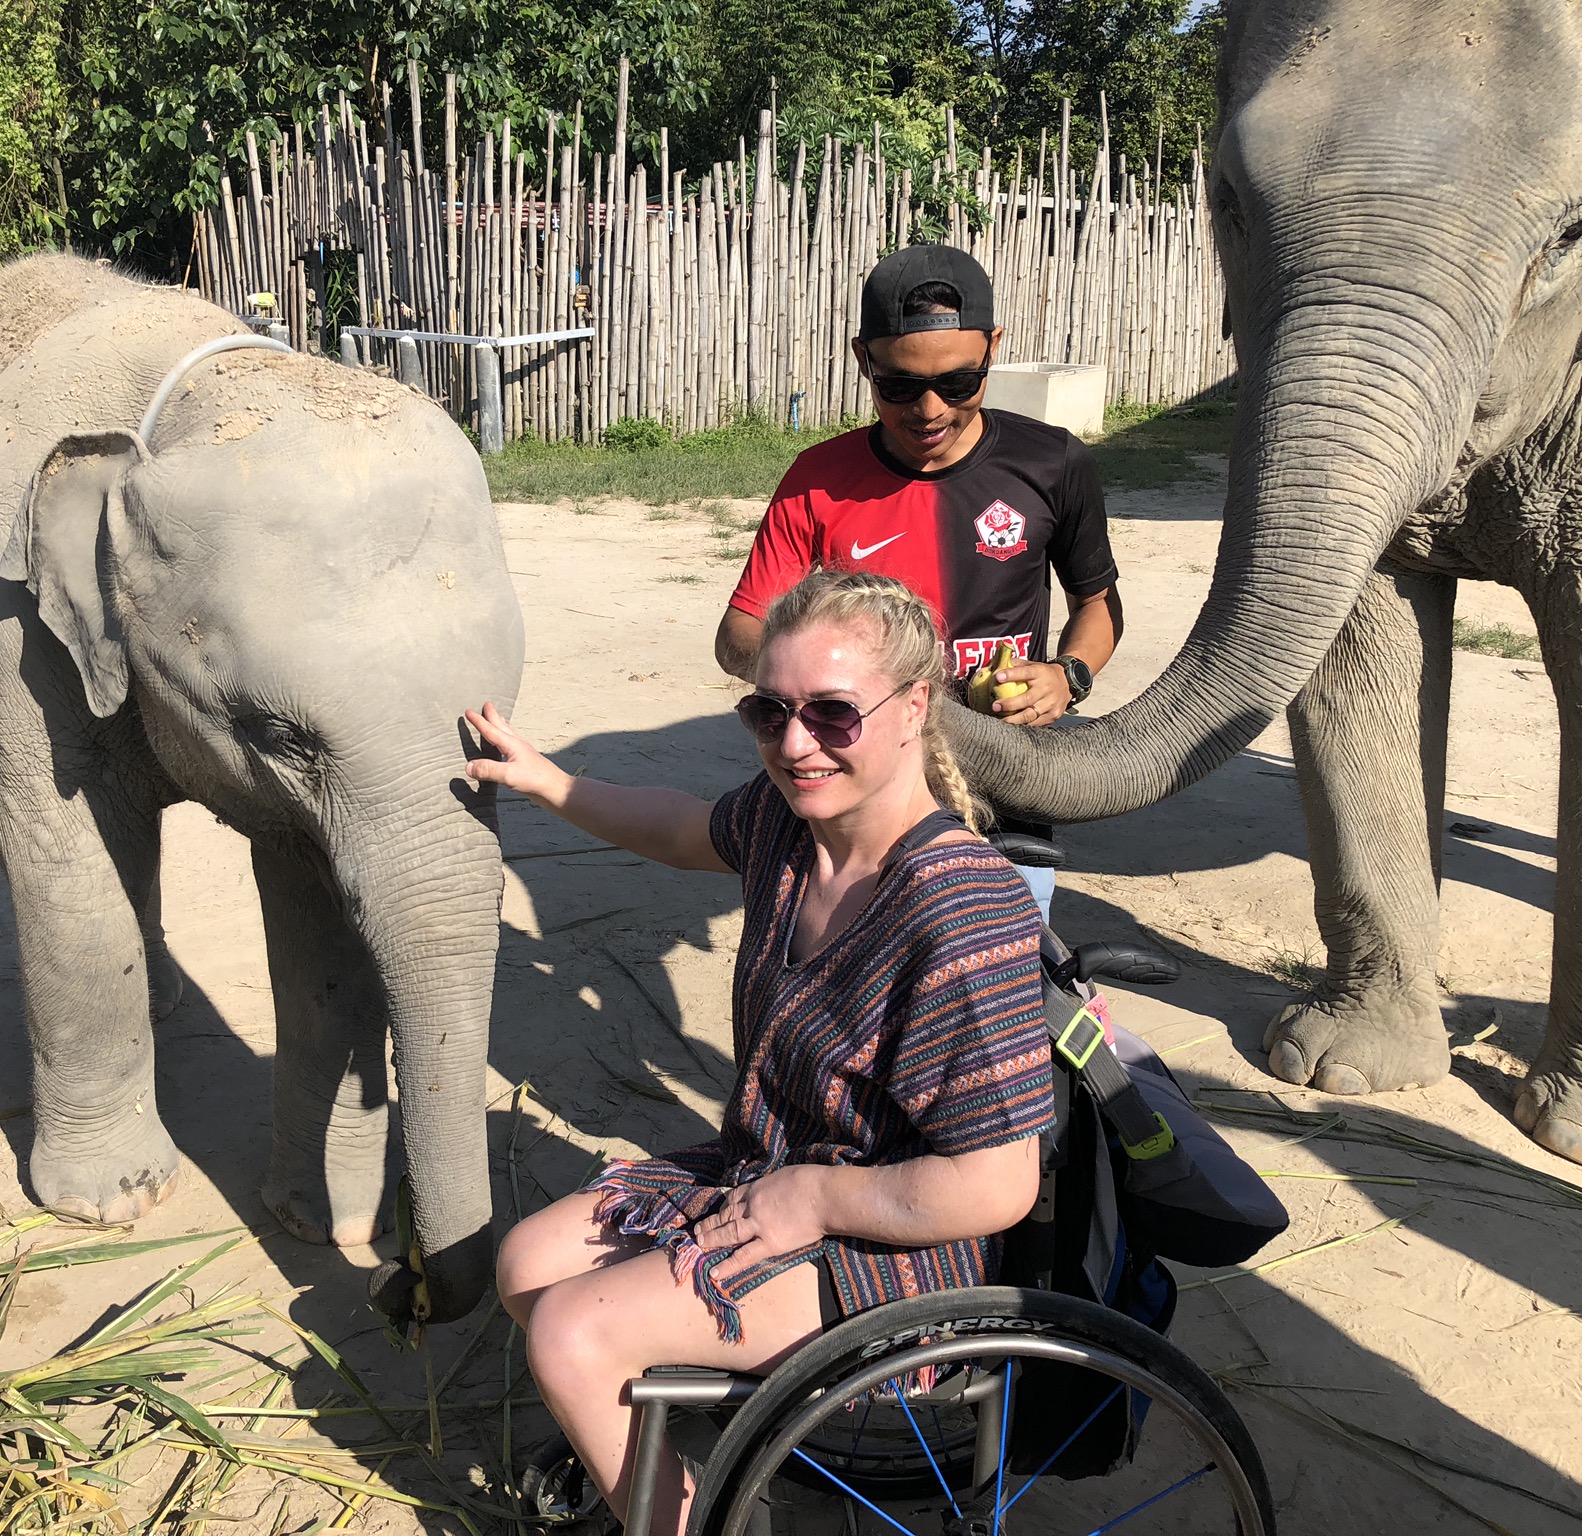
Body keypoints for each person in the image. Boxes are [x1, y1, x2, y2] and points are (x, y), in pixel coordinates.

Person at [472, 570, 1055, 1536]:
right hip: (772, 1174)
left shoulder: (960, 912)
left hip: (902, 1250)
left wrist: (817, 1199)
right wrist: (548, 780)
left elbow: (997, 1186)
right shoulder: (792, 829)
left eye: (833, 713)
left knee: (574, 1333)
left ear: (915, 706)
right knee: (529, 1266)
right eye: (769, 712)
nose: (795, 745)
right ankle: (682, 1490)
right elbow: (677, 825)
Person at [713, 244, 1123, 921]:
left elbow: (1098, 605)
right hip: (861, 788)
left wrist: (1068, 675)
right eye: (899, 386)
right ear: (862, 360)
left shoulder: (1053, 463)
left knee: (1000, 988)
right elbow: (739, 636)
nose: (930, 410)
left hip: (1008, 782)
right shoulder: (817, 479)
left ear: (995, 347)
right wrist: (845, 687)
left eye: (960, 383)